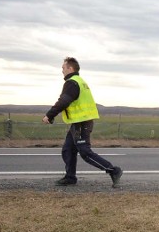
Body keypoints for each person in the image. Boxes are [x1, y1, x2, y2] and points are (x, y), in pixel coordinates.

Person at [42, 57, 122, 187]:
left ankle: (113, 170)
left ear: (70, 68)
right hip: (79, 122)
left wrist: (49, 116)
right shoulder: (80, 81)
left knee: (85, 152)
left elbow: (64, 101)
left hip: (81, 123)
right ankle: (70, 177)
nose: (61, 70)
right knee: (68, 150)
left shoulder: (72, 83)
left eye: (63, 68)